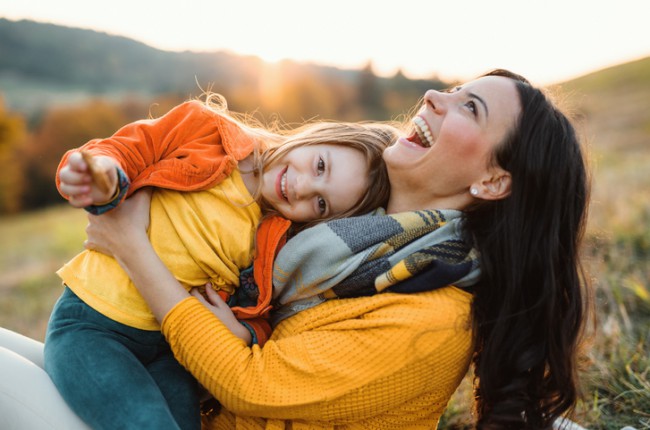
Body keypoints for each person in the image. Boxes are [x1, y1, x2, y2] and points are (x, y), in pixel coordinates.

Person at [0, 69, 591, 429]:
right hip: (153, 372)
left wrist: (131, 245)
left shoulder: (431, 316)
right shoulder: (355, 227)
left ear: (492, 182)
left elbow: (252, 384)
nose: (437, 95)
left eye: (470, 107)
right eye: (458, 88)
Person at [43, 94, 399, 430]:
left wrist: (244, 332)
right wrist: (105, 174)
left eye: (321, 204)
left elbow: (267, 312)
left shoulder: (277, 239)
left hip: (170, 353)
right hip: (92, 325)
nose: (304, 187)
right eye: (320, 165)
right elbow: (128, 150)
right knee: (147, 423)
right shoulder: (208, 130)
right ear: (319, 135)